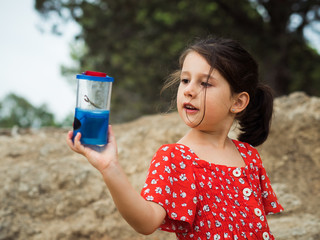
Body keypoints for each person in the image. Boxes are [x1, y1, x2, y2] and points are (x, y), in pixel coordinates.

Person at [66, 37, 283, 240]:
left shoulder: (249, 156)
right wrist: (109, 167)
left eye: (205, 83)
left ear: (238, 102)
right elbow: (147, 221)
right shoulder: (176, 158)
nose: (189, 90)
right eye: (185, 80)